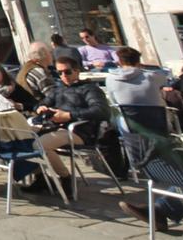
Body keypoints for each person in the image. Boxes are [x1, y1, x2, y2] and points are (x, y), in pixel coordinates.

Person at [31, 58, 119, 195]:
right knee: (22, 138)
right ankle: (41, 177)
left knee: (39, 145)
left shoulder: (90, 89)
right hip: (56, 128)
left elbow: (101, 111)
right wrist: (40, 108)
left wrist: (69, 115)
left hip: (80, 131)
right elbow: (41, 103)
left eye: (67, 72)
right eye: (59, 73)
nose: (63, 76)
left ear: (77, 71)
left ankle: (65, 178)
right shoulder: (58, 90)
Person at [105, 46, 168, 110]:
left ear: (120, 62)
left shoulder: (110, 79)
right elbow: (165, 82)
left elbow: (114, 102)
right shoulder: (151, 76)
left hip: (128, 117)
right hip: (157, 116)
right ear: (138, 62)